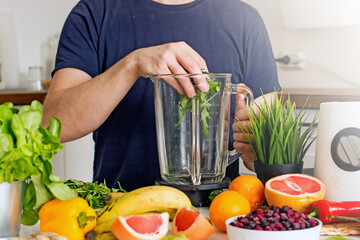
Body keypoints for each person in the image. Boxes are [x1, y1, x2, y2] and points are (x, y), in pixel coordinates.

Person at [42, 0, 280, 191]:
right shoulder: (94, 13)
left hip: (219, 214)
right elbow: (54, 125)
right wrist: (131, 65)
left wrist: (254, 145)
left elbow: (267, 149)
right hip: (119, 212)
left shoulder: (244, 20)